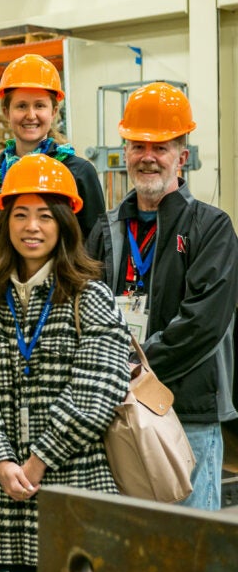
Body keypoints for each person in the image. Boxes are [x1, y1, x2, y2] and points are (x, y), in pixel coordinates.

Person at [0, 153, 129, 572]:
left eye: (45, 216)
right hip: (10, 497)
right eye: (21, 214)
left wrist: (39, 459)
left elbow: (98, 389)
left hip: (76, 491)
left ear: (65, 224)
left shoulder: (89, 295)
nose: (32, 227)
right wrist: (1, 457)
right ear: (5, 223)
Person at [87, 82, 238, 511]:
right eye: (138, 146)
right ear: (126, 153)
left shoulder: (212, 229)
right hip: (117, 411)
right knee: (130, 545)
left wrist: (134, 369)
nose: (148, 157)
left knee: (189, 550)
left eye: (161, 146)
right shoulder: (106, 229)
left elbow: (203, 323)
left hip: (186, 409)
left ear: (182, 156)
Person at [0, 53, 105, 238]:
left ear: (54, 111)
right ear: (6, 112)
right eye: (21, 106)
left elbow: (96, 245)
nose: (31, 115)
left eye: (39, 106)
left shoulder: (79, 172)